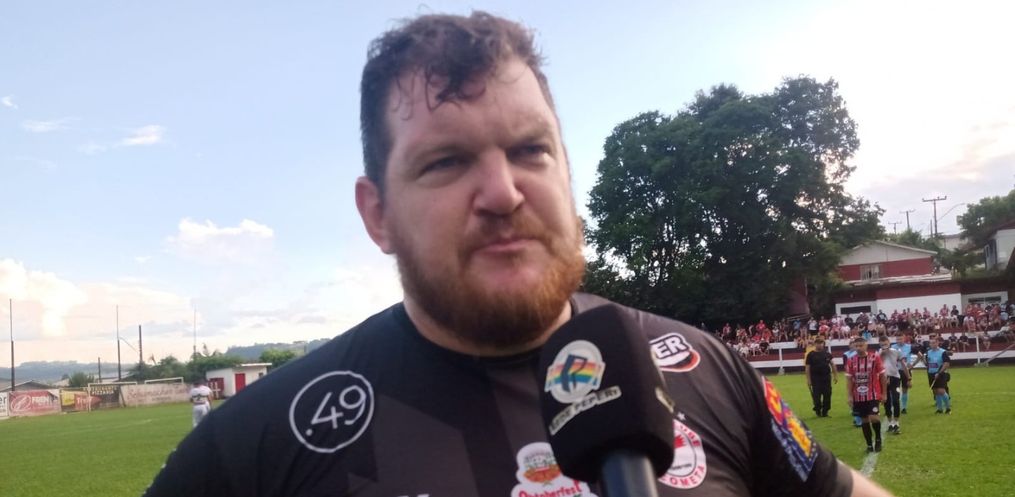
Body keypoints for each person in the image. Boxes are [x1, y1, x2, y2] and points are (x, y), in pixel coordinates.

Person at [142, 12, 892, 497]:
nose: (502, 192)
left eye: (531, 150)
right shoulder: (260, 443)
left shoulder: (699, 366)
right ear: (378, 215)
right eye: (445, 161)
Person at [845, 337, 887, 452]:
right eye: (856, 346)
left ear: (866, 345)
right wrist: (849, 396)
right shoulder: (851, 360)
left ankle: (878, 439)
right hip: (858, 395)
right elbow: (849, 379)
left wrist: (884, 393)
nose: (858, 348)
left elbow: (882, 376)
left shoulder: (875, 357)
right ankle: (869, 444)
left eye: (861, 345)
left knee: (874, 418)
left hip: (873, 394)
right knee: (864, 420)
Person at [877, 337, 907, 434]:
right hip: (883, 379)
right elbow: (876, 365)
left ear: (889, 343)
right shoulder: (878, 353)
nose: (884, 346)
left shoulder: (896, 351)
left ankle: (896, 423)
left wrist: (908, 377)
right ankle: (890, 423)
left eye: (885, 344)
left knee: (895, 400)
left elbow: (903, 364)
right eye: (882, 344)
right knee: (886, 401)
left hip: (895, 378)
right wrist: (882, 353)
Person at [917, 336, 952, 414]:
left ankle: (948, 408)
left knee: (941, 391)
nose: (932, 344)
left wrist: (939, 373)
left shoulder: (943, 352)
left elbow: (946, 363)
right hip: (931, 374)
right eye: (930, 343)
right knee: (935, 391)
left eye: (934, 343)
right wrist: (922, 359)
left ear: (937, 343)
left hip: (941, 374)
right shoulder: (928, 352)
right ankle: (939, 409)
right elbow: (927, 364)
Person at [805, 339, 838, 417]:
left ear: (823, 344)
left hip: (826, 378)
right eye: (817, 343)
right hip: (815, 378)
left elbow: (832, 365)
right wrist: (808, 380)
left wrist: (835, 376)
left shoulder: (827, 354)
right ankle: (817, 410)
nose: (819, 345)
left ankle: (825, 411)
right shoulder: (811, 354)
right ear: (815, 344)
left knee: (827, 395)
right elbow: (807, 368)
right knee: (816, 396)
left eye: (821, 343)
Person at [891, 334, 915, 414]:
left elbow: (920, 354)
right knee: (894, 389)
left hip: (905, 371)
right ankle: (892, 406)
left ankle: (904, 407)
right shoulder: (892, 347)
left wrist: (913, 364)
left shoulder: (909, 347)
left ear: (904, 339)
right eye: (897, 339)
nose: (899, 341)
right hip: (895, 371)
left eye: (900, 339)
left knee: (905, 389)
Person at [842, 341, 864, 428]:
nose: (855, 347)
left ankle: (860, 417)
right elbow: (845, 366)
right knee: (853, 396)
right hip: (853, 378)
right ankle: (857, 418)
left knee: (862, 397)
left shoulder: (862, 354)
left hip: (862, 378)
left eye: (855, 345)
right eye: (852, 345)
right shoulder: (846, 354)